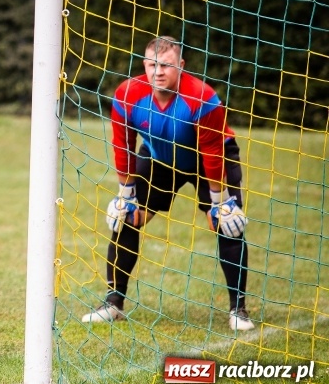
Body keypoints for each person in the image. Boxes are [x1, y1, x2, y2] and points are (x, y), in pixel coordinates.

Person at [81, 35, 254, 332]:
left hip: (206, 159)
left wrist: (219, 201)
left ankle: (238, 309)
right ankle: (113, 303)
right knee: (126, 217)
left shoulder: (203, 97)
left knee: (227, 221)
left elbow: (213, 152)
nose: (158, 71)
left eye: (166, 65)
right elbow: (123, 145)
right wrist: (125, 194)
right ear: (144, 65)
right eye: (152, 64)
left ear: (181, 65)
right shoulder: (127, 95)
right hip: (159, 158)